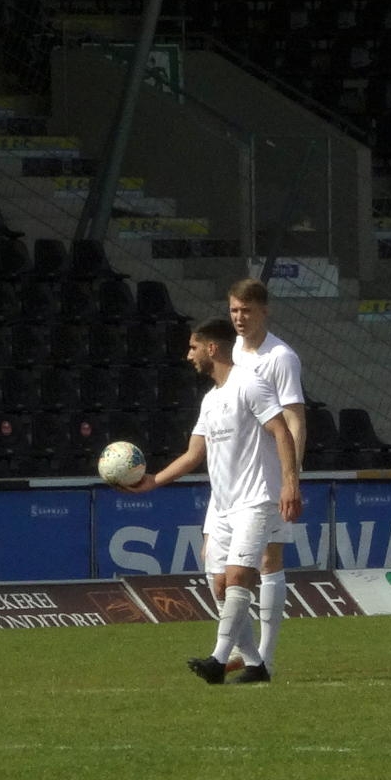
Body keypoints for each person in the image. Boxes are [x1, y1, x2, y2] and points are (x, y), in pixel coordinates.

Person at [131, 318, 302, 682]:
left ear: (212, 348)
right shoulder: (210, 399)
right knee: (220, 583)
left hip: (256, 499)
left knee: (240, 575)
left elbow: (281, 431)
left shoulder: (249, 383)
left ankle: (218, 660)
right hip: (222, 505)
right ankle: (255, 664)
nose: (188, 355)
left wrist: (290, 483)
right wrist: (153, 482)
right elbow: (194, 454)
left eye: (193, 347)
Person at [206, 278, 306, 676]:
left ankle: (265, 655)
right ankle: (248, 656)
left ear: (264, 311)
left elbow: (294, 419)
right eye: (234, 310)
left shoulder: (280, 357)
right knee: (218, 564)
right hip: (233, 478)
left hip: (269, 478)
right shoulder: (230, 352)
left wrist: (291, 477)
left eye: (246, 310)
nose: (239, 318)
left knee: (268, 558)